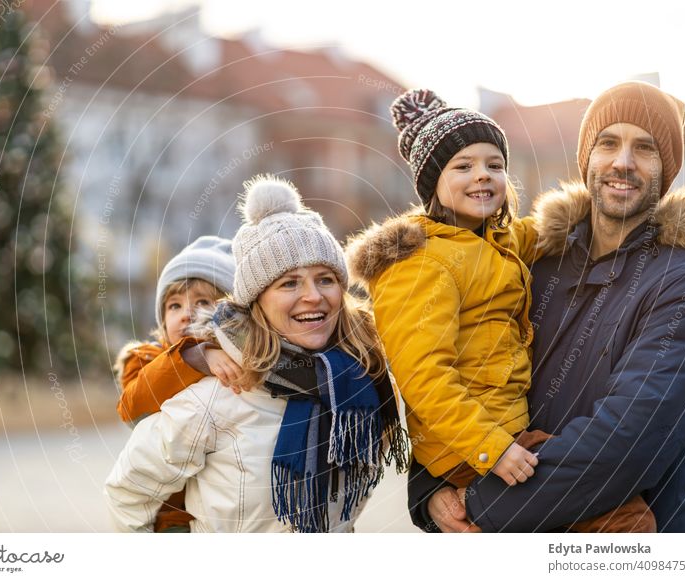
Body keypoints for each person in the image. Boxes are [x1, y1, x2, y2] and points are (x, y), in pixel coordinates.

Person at [346, 88, 653, 532]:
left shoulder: (495, 240)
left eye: (495, 165)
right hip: (473, 447)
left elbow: (540, 230)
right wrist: (492, 449)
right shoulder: (422, 262)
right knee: (628, 521)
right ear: (432, 182)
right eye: (463, 167)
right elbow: (424, 377)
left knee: (626, 509)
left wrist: (610, 196)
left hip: (506, 429)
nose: (483, 176)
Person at [407, 81, 685, 532]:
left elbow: (624, 443)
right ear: (586, 156)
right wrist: (430, 492)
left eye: (644, 148)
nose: (622, 162)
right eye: (608, 143)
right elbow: (455, 372)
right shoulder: (536, 263)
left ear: (668, 168)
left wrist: (476, 504)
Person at [104, 175, 408, 533]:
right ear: (257, 302)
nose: (313, 295)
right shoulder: (220, 391)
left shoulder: (362, 385)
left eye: (325, 279)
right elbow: (128, 493)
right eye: (289, 283)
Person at [113, 235, 240, 532]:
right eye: (174, 305)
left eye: (203, 302)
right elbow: (132, 406)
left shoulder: (240, 361)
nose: (186, 314)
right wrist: (195, 357)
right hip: (173, 516)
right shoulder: (144, 359)